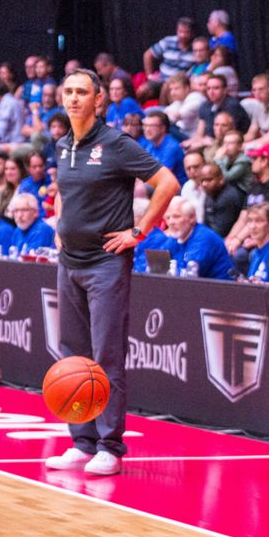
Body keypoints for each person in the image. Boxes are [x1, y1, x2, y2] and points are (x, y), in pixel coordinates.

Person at [45, 68, 180, 475]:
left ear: (98, 99)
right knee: (74, 358)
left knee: (106, 356)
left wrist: (138, 232)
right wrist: (60, 226)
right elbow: (65, 193)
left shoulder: (116, 144)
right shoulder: (62, 145)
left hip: (106, 264)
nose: (73, 98)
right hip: (69, 262)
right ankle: (81, 442)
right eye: (68, 91)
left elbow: (168, 183)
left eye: (81, 92)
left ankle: (109, 445)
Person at [159, 197, 234, 280]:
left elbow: (188, 273)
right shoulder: (175, 238)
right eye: (168, 218)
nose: (171, 222)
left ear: (192, 218)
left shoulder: (204, 238)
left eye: (176, 217)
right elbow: (158, 261)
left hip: (220, 287)